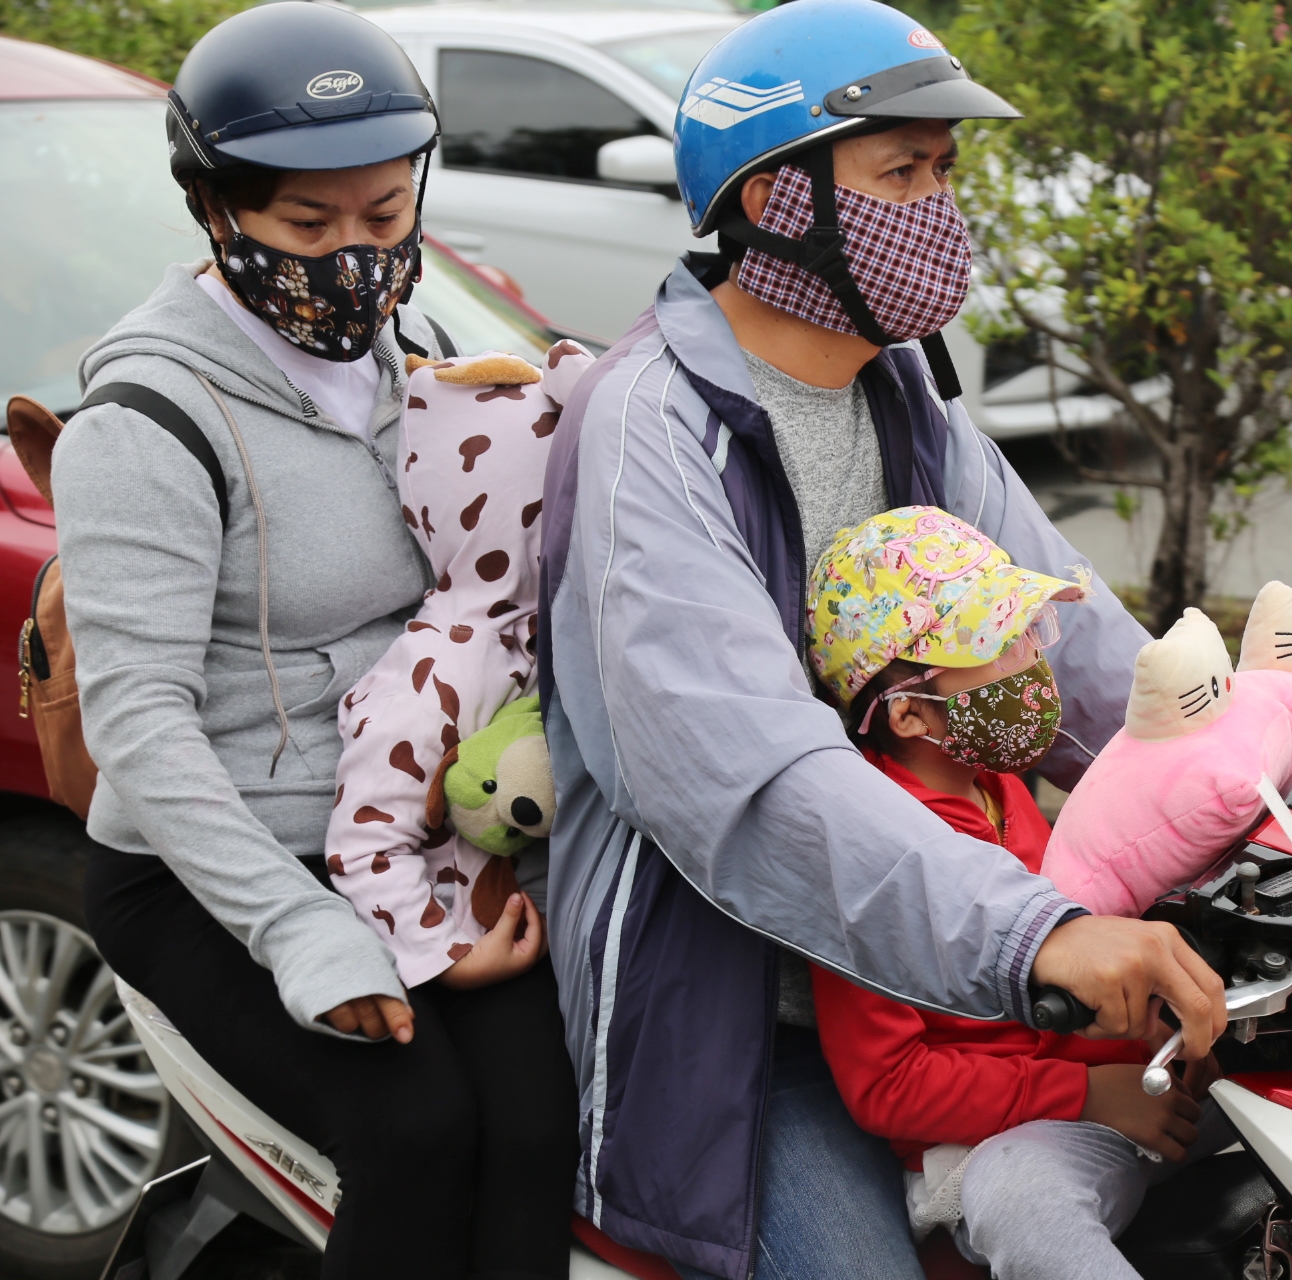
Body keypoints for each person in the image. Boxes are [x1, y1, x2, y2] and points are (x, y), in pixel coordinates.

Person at [536, 3, 1227, 1277]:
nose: (939, 211)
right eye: (900, 174)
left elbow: (1074, 645)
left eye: (945, 173)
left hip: (961, 992)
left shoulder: (907, 397)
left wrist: (1266, 765)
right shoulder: (650, 431)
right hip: (752, 1033)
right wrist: (1036, 935)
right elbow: (747, 774)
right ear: (774, 203)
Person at [57, 7, 577, 1277]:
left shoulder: (435, 361)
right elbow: (141, 724)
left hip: (413, 828)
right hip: (214, 864)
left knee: (542, 1126)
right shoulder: (143, 419)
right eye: (307, 226)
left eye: (386, 217)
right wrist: (309, 932)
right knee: (414, 1130)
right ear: (213, 209)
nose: (354, 255)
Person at [804, 509, 1234, 1280]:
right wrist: (1087, 1095)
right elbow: (889, 1086)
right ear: (907, 711)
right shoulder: (867, 853)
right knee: (1022, 1199)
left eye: (1029, 632)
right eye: (998, 645)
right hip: (1019, 1135)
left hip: (1137, 1088)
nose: (1032, 662)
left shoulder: (1002, 787)